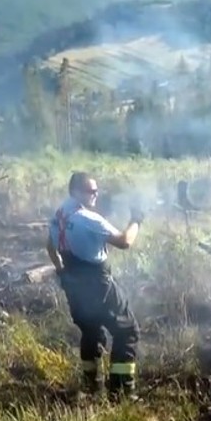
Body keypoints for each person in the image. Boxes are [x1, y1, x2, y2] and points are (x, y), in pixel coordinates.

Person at [47, 171, 144, 401]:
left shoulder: (59, 214)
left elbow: (50, 247)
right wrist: (136, 220)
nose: (95, 194)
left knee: (91, 330)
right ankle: (122, 392)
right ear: (75, 191)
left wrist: (62, 271)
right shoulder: (88, 218)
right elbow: (125, 241)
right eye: (90, 191)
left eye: (96, 190)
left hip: (72, 282)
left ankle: (91, 386)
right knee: (127, 330)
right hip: (96, 283)